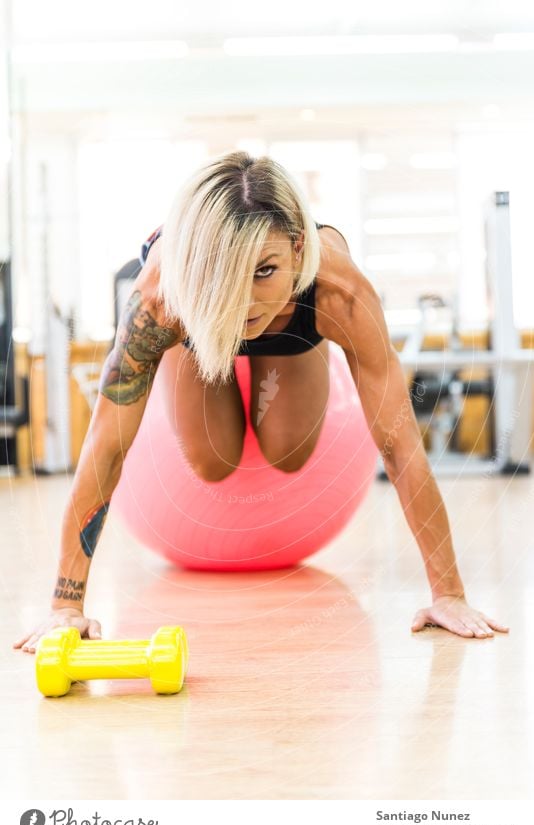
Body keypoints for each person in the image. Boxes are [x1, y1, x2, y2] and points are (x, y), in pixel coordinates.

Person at [13, 150, 509, 653]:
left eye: (264, 271)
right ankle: (210, 341)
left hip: (293, 325)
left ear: (297, 249)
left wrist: (449, 594)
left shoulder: (340, 293)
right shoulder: (161, 301)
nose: (244, 300)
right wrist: (65, 607)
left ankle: (271, 332)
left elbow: (400, 446)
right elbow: (107, 446)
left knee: (289, 451)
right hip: (198, 324)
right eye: (228, 276)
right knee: (212, 461)